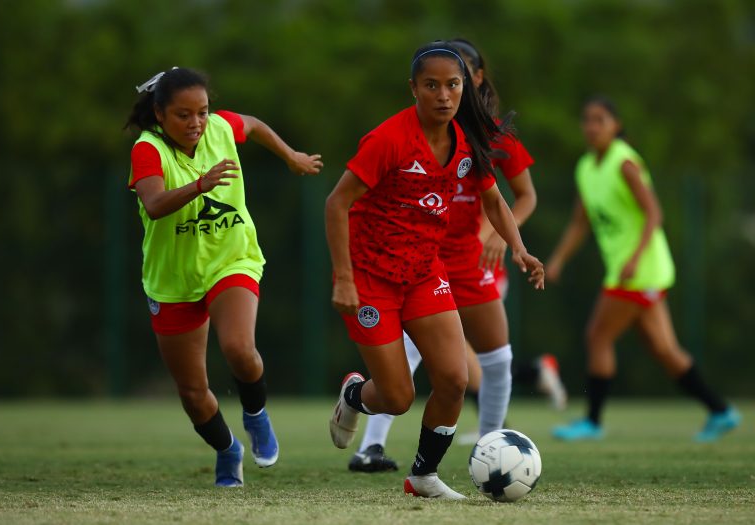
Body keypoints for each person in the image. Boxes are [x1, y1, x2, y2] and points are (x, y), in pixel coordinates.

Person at [325, 41, 545, 499]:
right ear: (413, 89)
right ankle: (353, 396)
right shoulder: (388, 140)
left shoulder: (465, 141)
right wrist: (343, 277)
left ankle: (423, 476)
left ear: (465, 87)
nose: (443, 95)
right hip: (371, 279)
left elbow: (494, 200)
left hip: (425, 274)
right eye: (432, 85)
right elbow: (336, 203)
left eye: (452, 85)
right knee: (398, 398)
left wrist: (519, 249)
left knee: (453, 379)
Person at [125, 67, 323, 486]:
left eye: (202, 111)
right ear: (159, 114)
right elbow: (156, 204)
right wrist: (201, 184)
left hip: (231, 258)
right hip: (172, 279)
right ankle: (227, 449)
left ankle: (256, 415)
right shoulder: (147, 149)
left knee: (238, 347)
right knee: (194, 397)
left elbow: (252, 125)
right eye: (183, 115)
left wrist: (290, 156)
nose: (197, 122)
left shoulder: (219, 127)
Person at [547, 95, 741, 442]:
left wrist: (635, 258)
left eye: (600, 120)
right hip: (629, 270)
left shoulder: (624, 163)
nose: (592, 127)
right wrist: (559, 259)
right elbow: (580, 222)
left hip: (640, 270)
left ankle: (592, 422)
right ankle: (720, 411)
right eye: (587, 120)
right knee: (664, 350)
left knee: (598, 335)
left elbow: (654, 213)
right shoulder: (586, 168)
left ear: (616, 126)